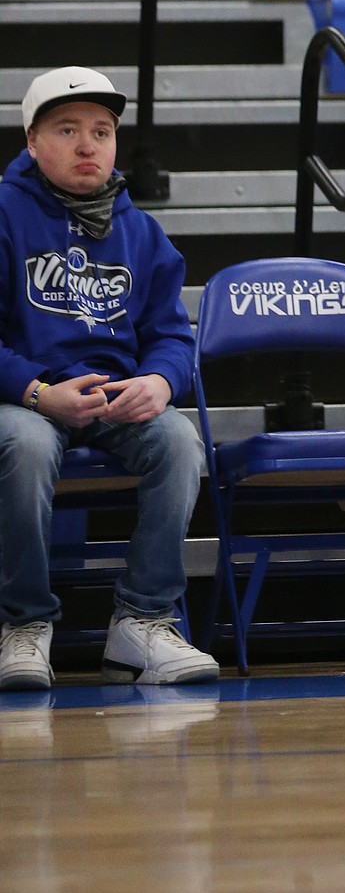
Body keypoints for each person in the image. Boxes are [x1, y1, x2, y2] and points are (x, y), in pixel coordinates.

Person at [0, 68, 218, 691]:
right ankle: (23, 624)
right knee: (28, 443)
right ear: (33, 141)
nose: (88, 145)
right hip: (28, 399)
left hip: (118, 402)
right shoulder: (5, 214)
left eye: (102, 130)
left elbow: (174, 337)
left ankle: (143, 622)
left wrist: (160, 383)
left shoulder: (142, 230)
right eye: (67, 130)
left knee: (177, 440)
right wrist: (41, 392)